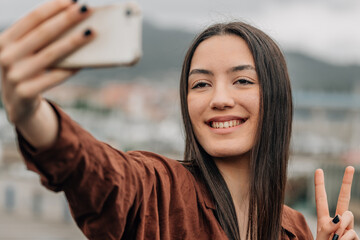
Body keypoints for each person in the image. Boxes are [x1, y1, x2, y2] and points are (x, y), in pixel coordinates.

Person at [0, 0, 358, 239]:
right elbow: (98, 172)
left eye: (243, 81)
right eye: (200, 84)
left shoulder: (294, 228)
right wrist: (31, 113)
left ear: (277, 99)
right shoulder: (161, 191)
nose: (219, 99)